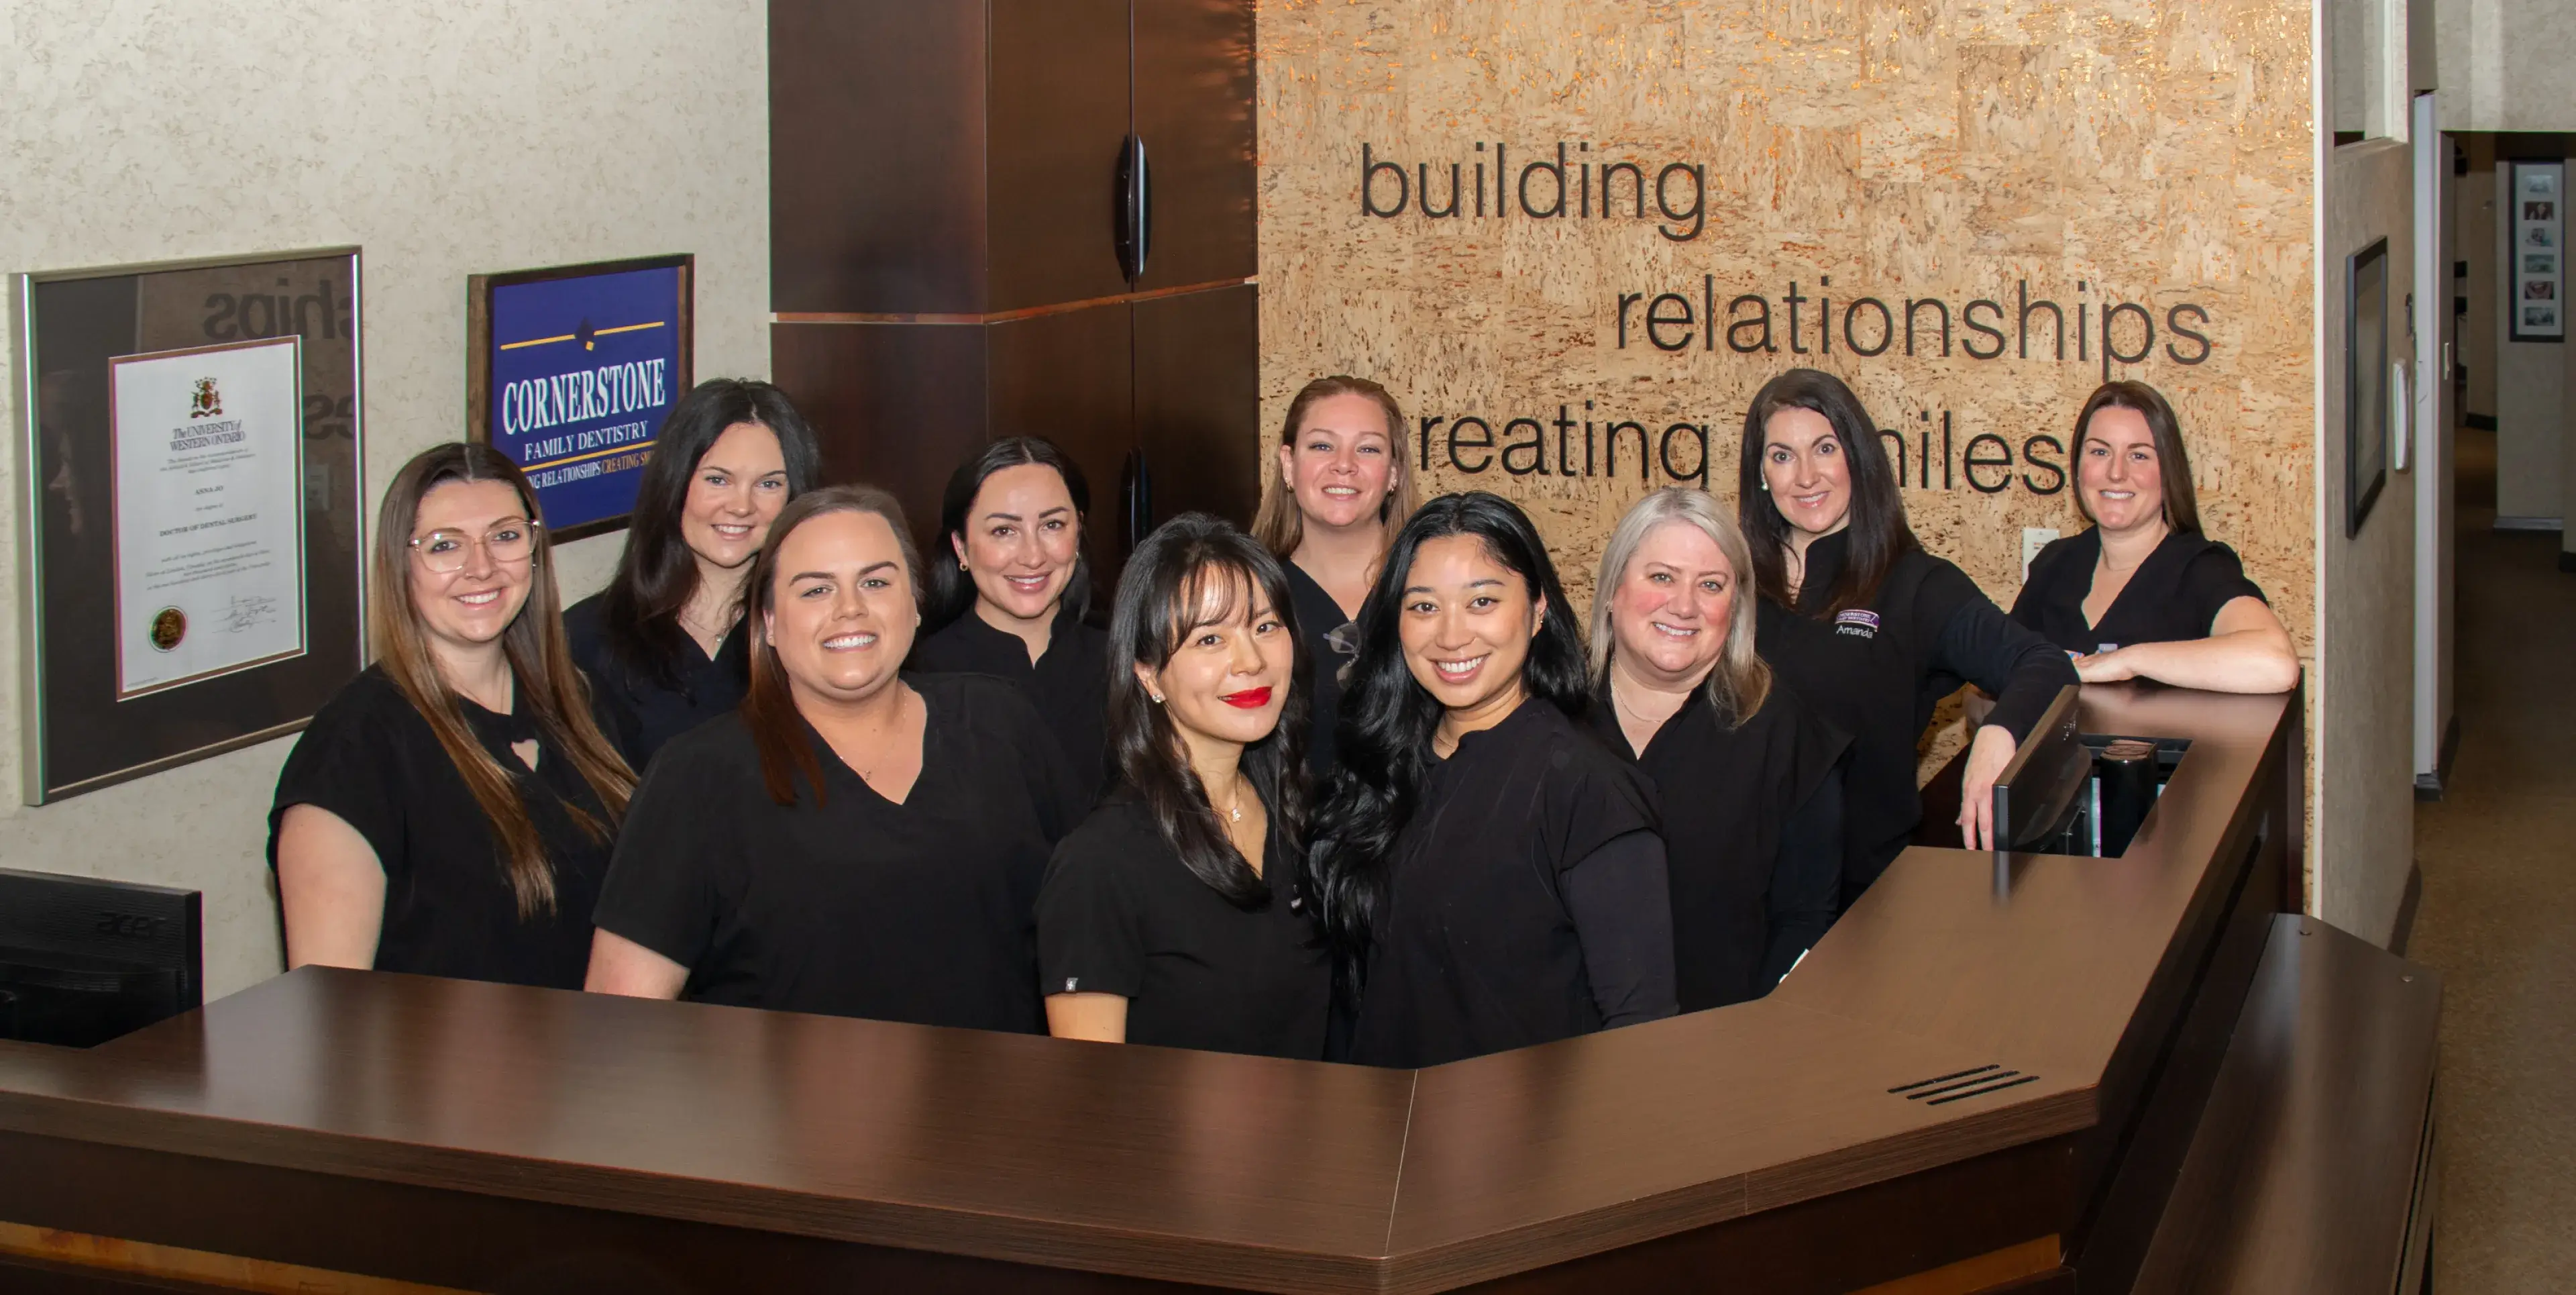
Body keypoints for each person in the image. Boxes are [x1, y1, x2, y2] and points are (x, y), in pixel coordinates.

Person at [586, 486, 1085, 1031]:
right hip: (791, 1117)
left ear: (915, 604)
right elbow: (617, 1025)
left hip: (1002, 1110)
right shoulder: (696, 777)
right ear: (769, 624)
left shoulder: (1000, 721)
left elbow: (1089, 926)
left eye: (875, 582)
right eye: (815, 590)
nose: (850, 609)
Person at [1311, 491, 1677, 1068]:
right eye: (1424, 607)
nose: (1451, 636)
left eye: (1482, 601)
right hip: (1384, 1138)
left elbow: (1642, 1029)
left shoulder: (1586, 788)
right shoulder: (1385, 767)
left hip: (1528, 1149)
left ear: (1537, 611)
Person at [270, 444, 635, 989]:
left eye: (506, 536)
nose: (482, 567)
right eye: (445, 546)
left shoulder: (582, 701)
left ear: (535, 548)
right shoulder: (352, 754)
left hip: (596, 1060)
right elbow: (331, 1019)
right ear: (402, 565)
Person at [1737, 368, 2076, 890]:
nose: (1806, 476)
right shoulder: (1727, 578)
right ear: (1761, 473)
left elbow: (2045, 664)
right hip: (1735, 888)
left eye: (1825, 448)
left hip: (1856, 900)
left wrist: (1997, 734)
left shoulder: (1916, 586)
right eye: (1782, 456)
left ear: (1858, 457)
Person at [1037, 515, 1330, 1058]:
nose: (1252, 661)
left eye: (1265, 627)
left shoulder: (1299, 816)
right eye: (1211, 639)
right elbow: (1090, 1099)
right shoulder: (1100, 865)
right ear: (1148, 673)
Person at [1587, 488, 1849, 1011]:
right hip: (1554, 1060)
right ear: (1614, 588)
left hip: (1718, 1052)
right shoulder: (1547, 717)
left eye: (1711, 585)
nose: (1683, 606)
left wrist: (1752, 1037)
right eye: (1661, 577)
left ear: (1738, 605)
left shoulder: (1783, 732)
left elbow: (1805, 918)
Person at [565, 379, 822, 770]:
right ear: (675, 483)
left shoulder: (816, 629)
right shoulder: (584, 640)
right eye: (717, 479)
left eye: (768, 484)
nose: (741, 506)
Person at [2010, 382, 2300, 693]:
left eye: (2139, 456)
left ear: (2168, 472)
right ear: (2079, 466)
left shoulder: (2199, 568)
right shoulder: (2055, 563)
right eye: (2099, 451)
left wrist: (2128, 661)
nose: (2116, 472)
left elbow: (2276, 664)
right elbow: (1990, 683)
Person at [910, 437, 1112, 794]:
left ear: (1078, 531)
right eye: (1004, 531)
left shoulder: (1126, 661)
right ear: (961, 546)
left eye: (1052, 526)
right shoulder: (919, 676)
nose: (1033, 556)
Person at [1250, 376, 1421, 780]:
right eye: (1323, 445)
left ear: (1394, 472)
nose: (1344, 464)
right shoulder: (1249, 596)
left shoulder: (1432, 589)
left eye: (1368, 448)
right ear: (1289, 464)